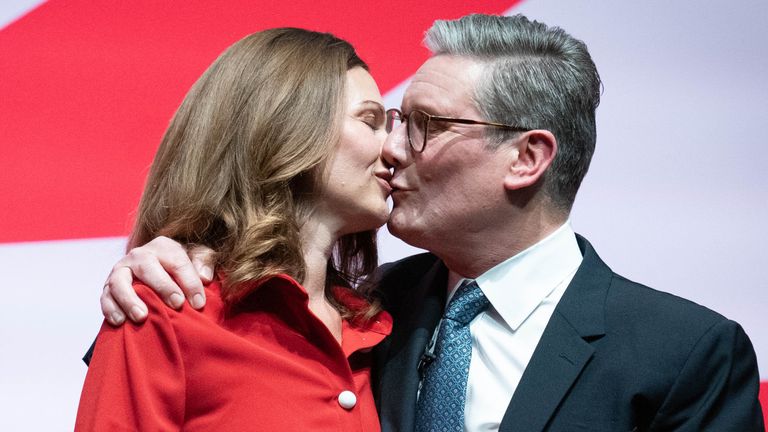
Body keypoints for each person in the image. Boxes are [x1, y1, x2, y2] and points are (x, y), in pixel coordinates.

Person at [95, 14, 765, 432]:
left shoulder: (684, 353)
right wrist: (160, 264)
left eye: (426, 127)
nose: (393, 149)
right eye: (385, 121)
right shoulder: (354, 315)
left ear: (526, 158)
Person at [76, 27, 395, 431]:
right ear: (285, 128)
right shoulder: (167, 309)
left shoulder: (384, 324)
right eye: (371, 121)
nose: (394, 147)